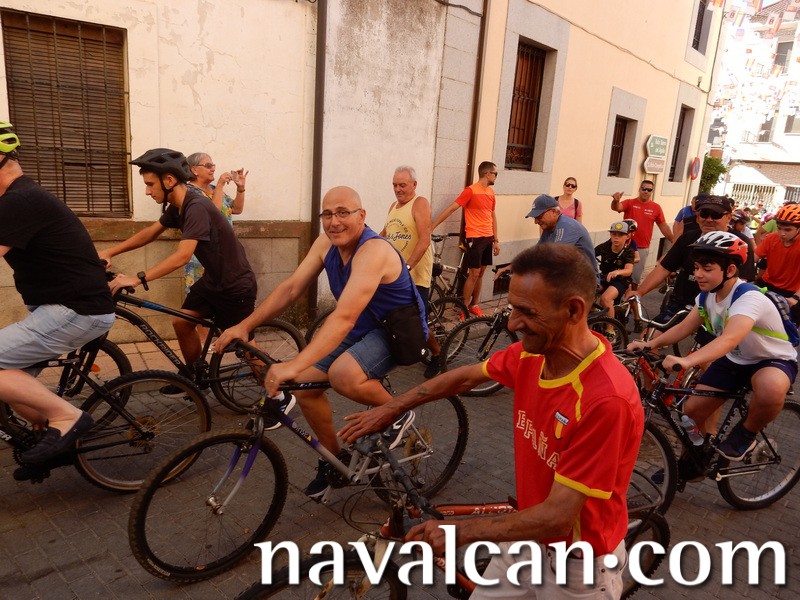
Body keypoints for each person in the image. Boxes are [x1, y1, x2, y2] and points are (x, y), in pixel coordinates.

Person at [340, 243, 643, 598]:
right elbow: (465, 377)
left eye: (526, 312)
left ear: (574, 310)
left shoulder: (605, 400)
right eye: (512, 308)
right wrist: (391, 408)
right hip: (526, 536)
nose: (513, 323)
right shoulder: (533, 355)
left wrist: (459, 533)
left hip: (576, 564)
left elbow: (558, 517)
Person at [216, 186, 425, 499]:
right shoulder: (326, 243)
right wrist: (244, 326)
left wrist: (292, 364)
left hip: (394, 332)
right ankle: (334, 460)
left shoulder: (373, 251)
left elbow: (344, 318)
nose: (334, 221)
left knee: (343, 375)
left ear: (362, 216)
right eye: (327, 214)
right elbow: (291, 288)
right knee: (304, 387)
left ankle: (398, 412)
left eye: (343, 213)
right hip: (361, 327)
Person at [0, 121, 116, 464]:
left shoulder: (20, 200)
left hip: (75, 310)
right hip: (63, 308)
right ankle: (50, 442)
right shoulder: (19, 198)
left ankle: (68, 418)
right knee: (13, 383)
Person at [628, 231, 796, 465]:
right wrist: (650, 344)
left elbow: (729, 339)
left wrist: (687, 360)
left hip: (770, 360)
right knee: (691, 412)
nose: (698, 274)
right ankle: (696, 459)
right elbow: (684, 327)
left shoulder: (749, 298)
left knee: (771, 388)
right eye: (696, 267)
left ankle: (746, 434)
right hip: (736, 359)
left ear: (730, 270)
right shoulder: (706, 297)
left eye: (707, 269)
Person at [98, 148, 258, 393]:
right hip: (213, 281)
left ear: (169, 180)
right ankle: (193, 376)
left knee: (247, 348)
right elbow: (150, 233)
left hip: (234, 284)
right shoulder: (178, 206)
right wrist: (110, 251)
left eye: (150, 184)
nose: (147, 191)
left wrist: (138, 279)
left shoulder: (196, 206)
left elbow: (183, 256)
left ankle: (278, 396)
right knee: (182, 323)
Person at [626, 195, 754, 327]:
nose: (709, 219)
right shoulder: (687, 238)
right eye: (704, 214)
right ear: (698, 217)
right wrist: (639, 292)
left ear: (728, 217)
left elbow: (741, 281)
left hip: (714, 308)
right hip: (681, 303)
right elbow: (664, 268)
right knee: (650, 336)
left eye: (716, 215)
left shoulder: (741, 243)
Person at [379, 166, 441, 378]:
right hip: (395, 276)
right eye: (395, 185)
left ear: (414, 185)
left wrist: (407, 267)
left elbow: (424, 240)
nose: (398, 189)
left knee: (418, 323)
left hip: (414, 275)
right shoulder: (393, 207)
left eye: (402, 185)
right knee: (390, 316)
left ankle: (437, 354)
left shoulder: (419, 203)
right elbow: (384, 235)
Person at [431, 161, 499, 317]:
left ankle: (474, 305)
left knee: (481, 273)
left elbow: (492, 215)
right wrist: (433, 226)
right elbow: (452, 208)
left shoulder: (490, 192)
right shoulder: (471, 191)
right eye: (495, 173)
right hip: (474, 236)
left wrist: (496, 240)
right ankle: (464, 308)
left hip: (488, 237)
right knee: (473, 274)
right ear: (487, 174)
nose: (496, 176)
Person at [183, 152, 247, 295]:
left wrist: (240, 189)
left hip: (224, 251)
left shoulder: (214, 189)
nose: (212, 168)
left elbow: (236, 209)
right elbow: (213, 213)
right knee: (201, 297)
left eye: (213, 165)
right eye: (208, 165)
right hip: (203, 254)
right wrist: (220, 184)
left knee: (224, 294)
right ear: (194, 170)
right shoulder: (189, 192)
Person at [611, 180, 674, 287]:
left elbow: (663, 226)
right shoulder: (630, 203)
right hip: (625, 246)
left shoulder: (656, 208)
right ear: (639, 189)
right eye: (644, 188)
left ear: (652, 192)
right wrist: (615, 201)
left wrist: (674, 240)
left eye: (649, 190)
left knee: (634, 281)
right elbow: (616, 207)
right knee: (618, 277)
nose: (646, 191)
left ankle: (632, 297)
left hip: (642, 248)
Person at [754, 203, 800, 325]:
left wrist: (795, 298)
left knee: (788, 329)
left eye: (787, 229)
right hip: (767, 284)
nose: (781, 233)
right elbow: (753, 258)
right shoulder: (772, 238)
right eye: (779, 228)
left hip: (792, 292)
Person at [595, 221, 635, 339]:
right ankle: (592, 317)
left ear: (627, 236)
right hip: (605, 278)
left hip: (620, 281)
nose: (616, 237)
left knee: (605, 298)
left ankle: (610, 330)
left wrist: (617, 272)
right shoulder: (604, 247)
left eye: (620, 235)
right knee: (588, 290)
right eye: (614, 234)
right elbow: (589, 254)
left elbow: (629, 270)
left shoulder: (629, 251)